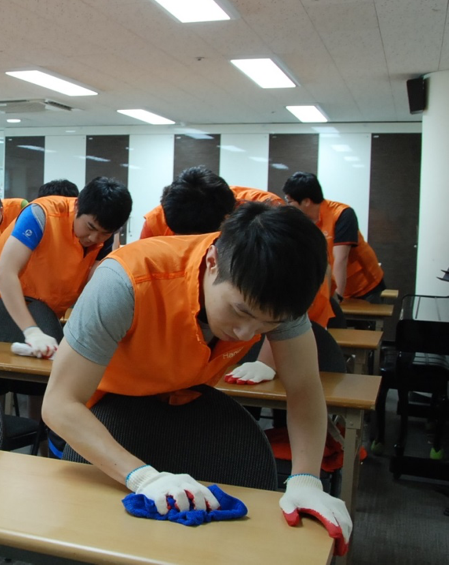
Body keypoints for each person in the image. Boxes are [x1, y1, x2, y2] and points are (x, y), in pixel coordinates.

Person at [42, 203, 352, 555]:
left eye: (269, 324)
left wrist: (306, 480)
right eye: (240, 311)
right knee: (93, 541)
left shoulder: (279, 292)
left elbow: (304, 388)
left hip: (183, 409)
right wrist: (144, 477)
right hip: (95, 426)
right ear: (213, 262)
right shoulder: (126, 280)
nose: (247, 333)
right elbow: (59, 404)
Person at [140, 167, 334, 329]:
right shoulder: (158, 219)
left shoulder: (267, 215)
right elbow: (149, 287)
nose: (193, 253)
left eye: (201, 244)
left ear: (226, 223)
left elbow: (286, 292)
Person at [0, 177, 132, 357]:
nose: (94, 238)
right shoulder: (40, 214)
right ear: (77, 206)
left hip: (45, 307)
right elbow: (5, 274)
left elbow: (93, 287)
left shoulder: (106, 238)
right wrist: (31, 331)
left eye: (105, 233)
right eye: (90, 227)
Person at [283, 172, 385, 302]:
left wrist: (337, 298)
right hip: (333, 286)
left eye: (290, 201)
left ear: (306, 201)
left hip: (364, 286)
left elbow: (340, 259)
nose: (288, 206)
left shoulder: (342, 214)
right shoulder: (301, 221)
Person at [139, 166, 283, 238]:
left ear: (228, 218)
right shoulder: (156, 222)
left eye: (202, 242)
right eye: (182, 242)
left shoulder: (267, 210)